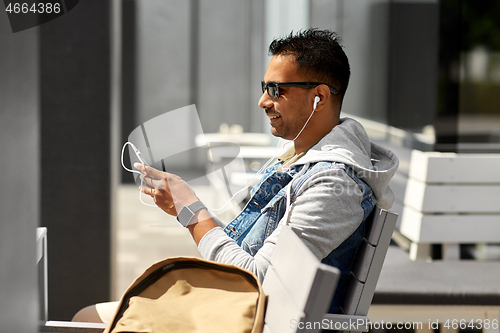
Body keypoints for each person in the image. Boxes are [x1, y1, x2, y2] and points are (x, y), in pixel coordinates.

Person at [73, 28, 398, 322]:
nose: (262, 101)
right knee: (89, 315)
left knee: (88, 319)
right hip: (235, 311)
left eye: (276, 89)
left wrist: (192, 212)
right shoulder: (301, 160)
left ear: (320, 97)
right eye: (264, 87)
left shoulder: (334, 186)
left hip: (246, 318)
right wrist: (183, 206)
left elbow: (256, 280)